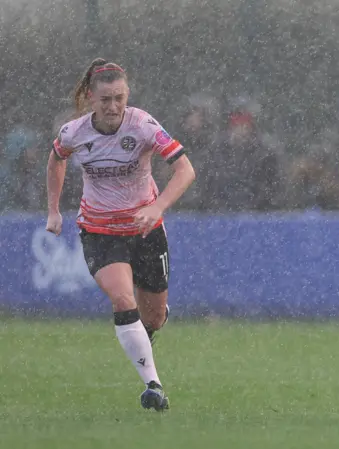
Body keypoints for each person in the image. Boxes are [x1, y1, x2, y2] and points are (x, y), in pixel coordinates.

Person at [45, 58, 196, 411]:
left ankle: (146, 334)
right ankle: (154, 387)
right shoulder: (74, 132)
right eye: (105, 100)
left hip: (146, 229)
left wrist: (157, 208)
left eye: (119, 98)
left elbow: (185, 170)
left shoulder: (143, 125)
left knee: (154, 317)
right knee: (122, 300)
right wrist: (53, 209)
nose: (113, 107)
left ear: (127, 95)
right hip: (99, 231)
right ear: (90, 98)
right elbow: (56, 160)